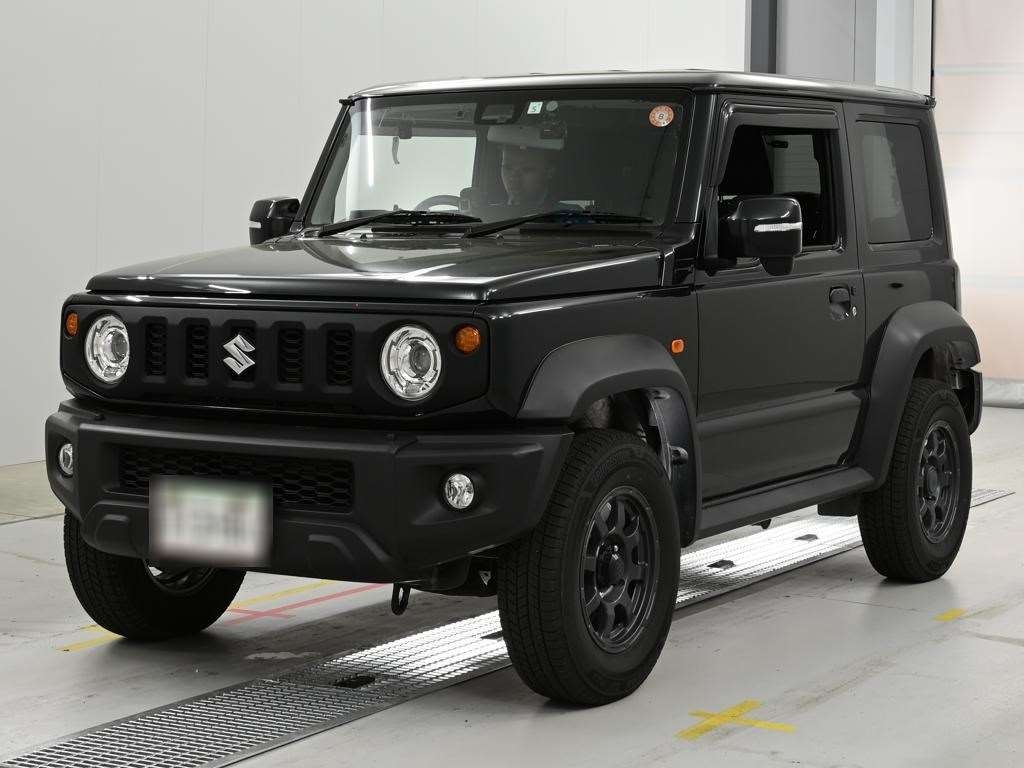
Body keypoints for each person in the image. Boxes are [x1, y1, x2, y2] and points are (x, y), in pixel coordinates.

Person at [499, 144, 559, 208]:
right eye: (507, 167)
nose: (514, 178)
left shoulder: (562, 212)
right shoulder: (495, 211)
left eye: (526, 169)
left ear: (549, 172)